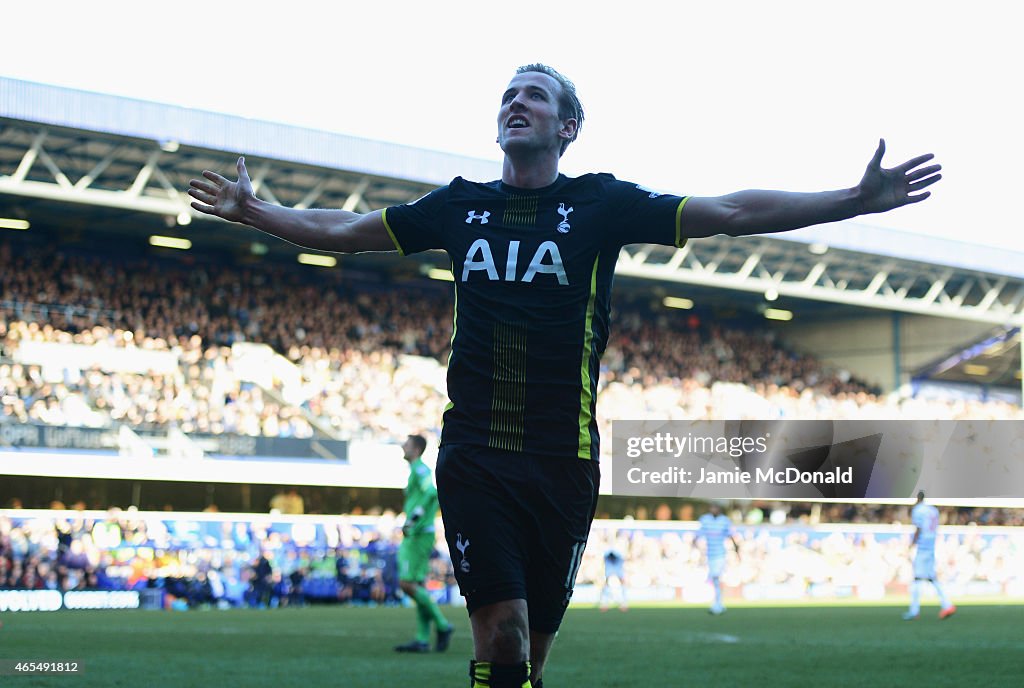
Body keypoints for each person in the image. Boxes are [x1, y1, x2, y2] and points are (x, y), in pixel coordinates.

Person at [188, 63, 941, 688]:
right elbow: (344, 233)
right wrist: (259, 213)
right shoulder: (458, 209)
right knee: (504, 636)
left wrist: (849, 199)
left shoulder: (601, 204)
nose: (516, 103)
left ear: (566, 127)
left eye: (534, 96)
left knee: (532, 657)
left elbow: (730, 211)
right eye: (508, 96)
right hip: (476, 455)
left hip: (566, 460)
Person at [393, 434, 454, 653]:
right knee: (415, 585)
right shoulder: (416, 470)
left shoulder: (420, 470)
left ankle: (443, 625)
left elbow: (431, 493)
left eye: (406, 443)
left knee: (406, 583)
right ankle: (421, 638)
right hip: (419, 533)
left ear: (416, 449)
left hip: (418, 534)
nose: (403, 445)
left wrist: (414, 518)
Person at [903, 491, 956, 620]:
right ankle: (947, 604)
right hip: (931, 546)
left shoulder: (918, 510)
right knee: (931, 577)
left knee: (917, 578)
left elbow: (919, 528)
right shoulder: (933, 510)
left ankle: (914, 611)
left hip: (922, 547)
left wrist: (911, 544)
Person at [698, 503, 740, 615]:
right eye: (712, 507)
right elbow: (699, 534)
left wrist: (736, 550)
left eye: (715, 507)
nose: (713, 509)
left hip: (720, 554)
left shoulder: (724, 520)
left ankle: (718, 603)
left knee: (716, 576)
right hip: (709, 554)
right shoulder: (705, 519)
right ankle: (717, 603)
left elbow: (730, 535)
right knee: (714, 579)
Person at [597, 533, 628, 612]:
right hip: (610, 567)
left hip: (617, 567)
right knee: (606, 585)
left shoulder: (619, 545)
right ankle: (604, 603)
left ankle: (623, 603)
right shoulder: (608, 547)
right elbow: (606, 555)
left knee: (622, 584)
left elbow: (620, 556)